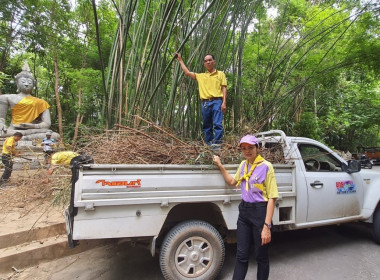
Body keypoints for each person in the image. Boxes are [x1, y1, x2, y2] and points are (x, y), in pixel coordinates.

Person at [213, 135, 279, 280]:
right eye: (244, 148)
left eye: (250, 148)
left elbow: (272, 197)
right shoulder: (243, 165)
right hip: (244, 213)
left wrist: (266, 226)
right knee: (241, 255)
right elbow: (232, 181)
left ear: (257, 148)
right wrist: (220, 165)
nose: (247, 151)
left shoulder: (266, 166)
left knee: (260, 256)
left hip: (260, 213)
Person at [175, 52, 227, 146]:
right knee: (207, 126)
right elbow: (187, 72)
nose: (208, 62)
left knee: (218, 124)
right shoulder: (201, 76)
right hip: (205, 104)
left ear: (214, 61)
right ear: (204, 64)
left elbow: (224, 88)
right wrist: (180, 60)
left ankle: (217, 145)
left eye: (210, 60)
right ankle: (208, 145)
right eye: (206, 61)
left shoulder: (220, 74)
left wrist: (224, 103)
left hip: (217, 101)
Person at [0, 62, 58, 140]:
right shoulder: (6, 97)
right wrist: (1, 124)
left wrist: (31, 126)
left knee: (55, 135)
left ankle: (22, 137)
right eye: (23, 82)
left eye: (30, 82)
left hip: (33, 130)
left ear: (33, 85)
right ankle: (21, 136)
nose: (26, 84)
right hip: (13, 129)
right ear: (17, 84)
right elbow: (1, 118)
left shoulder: (41, 102)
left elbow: (47, 124)